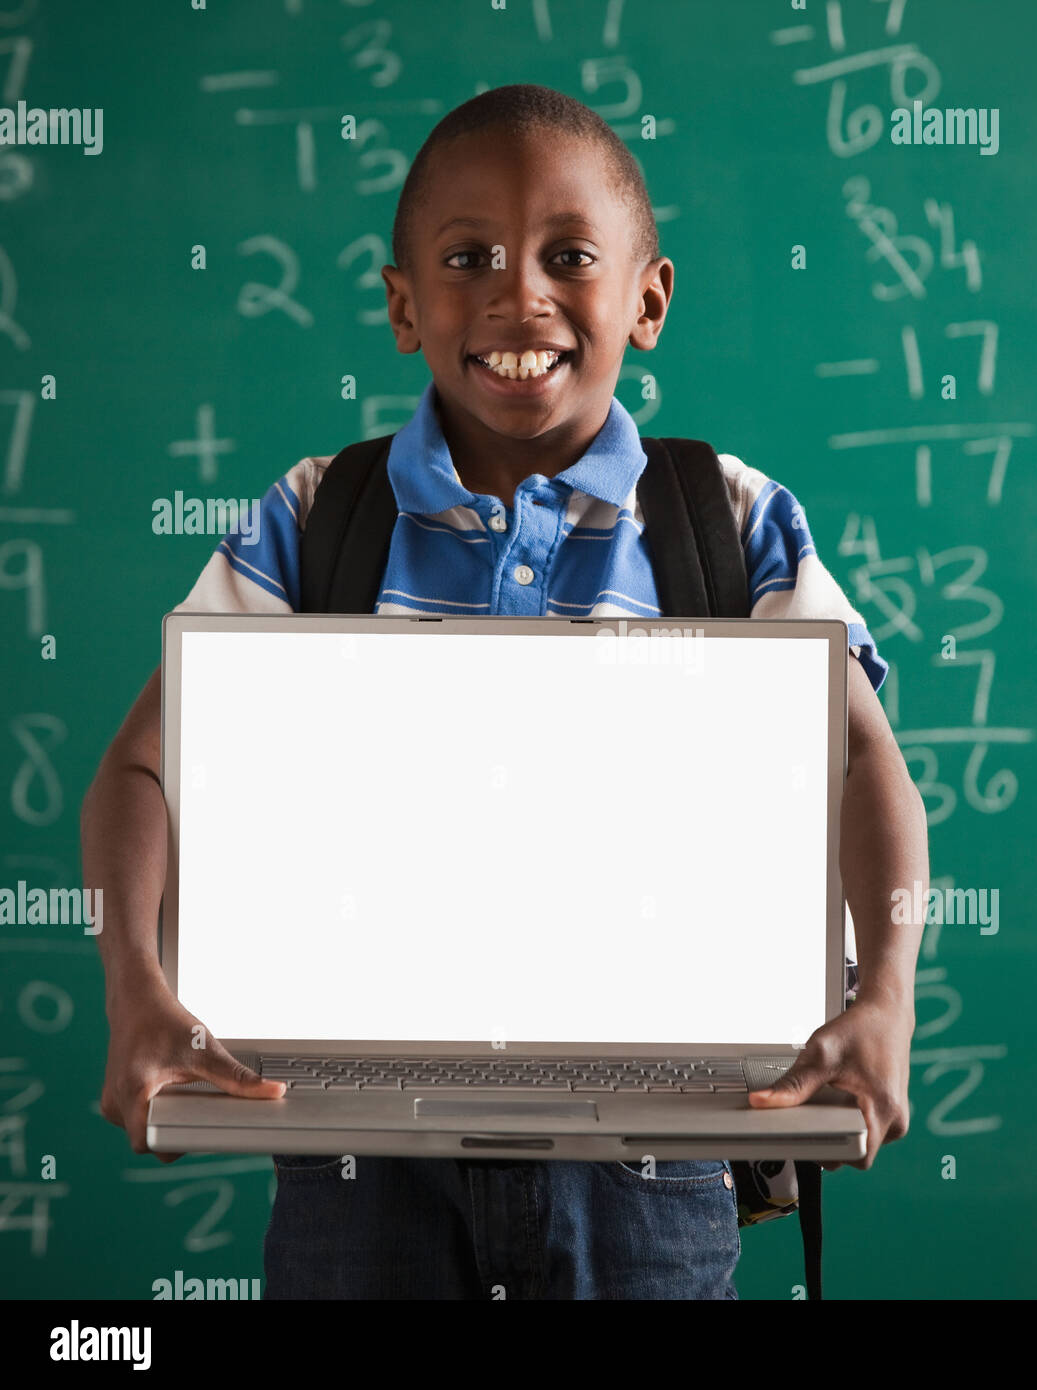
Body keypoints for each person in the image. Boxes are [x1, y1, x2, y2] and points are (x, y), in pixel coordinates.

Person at [82, 83, 928, 1300]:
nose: (515, 293)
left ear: (648, 300)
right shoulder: (316, 517)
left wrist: (885, 995)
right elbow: (141, 768)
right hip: (353, 1154)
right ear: (401, 304)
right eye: (467, 256)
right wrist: (136, 988)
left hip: (660, 1159)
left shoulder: (728, 520)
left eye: (567, 256)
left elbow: (867, 769)